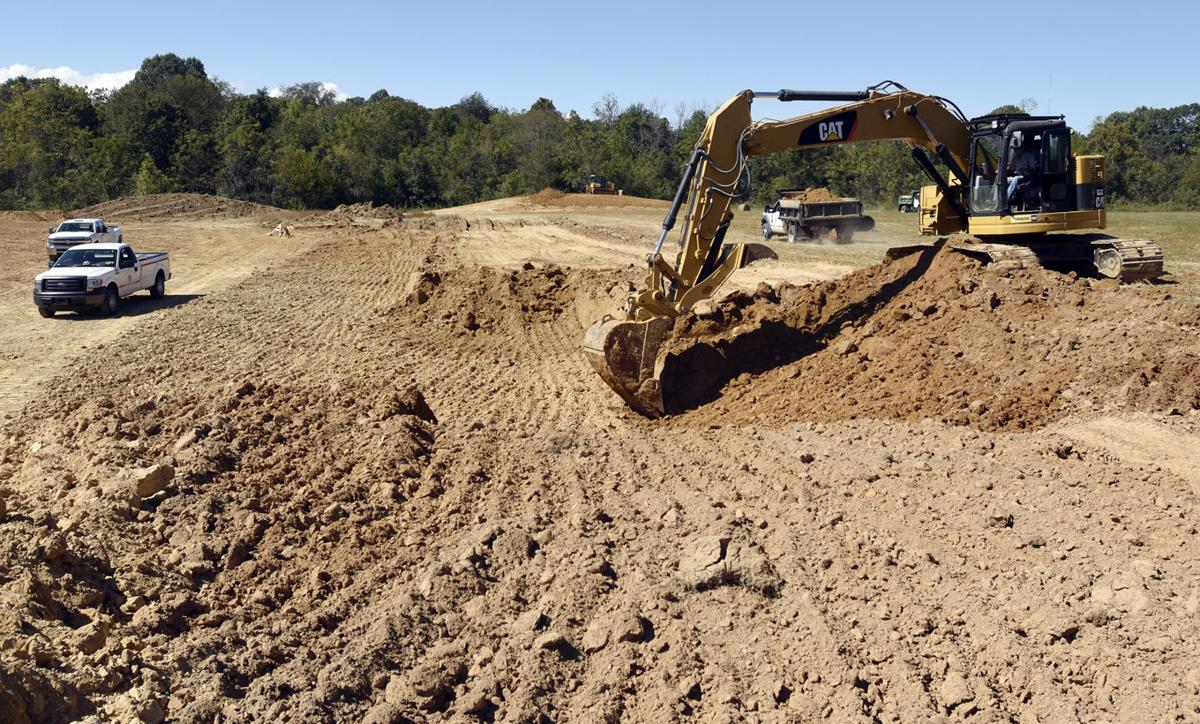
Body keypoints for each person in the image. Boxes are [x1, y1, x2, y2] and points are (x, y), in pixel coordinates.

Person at [1006, 136, 1040, 208]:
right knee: (1003, 180)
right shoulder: (1015, 158)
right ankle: (996, 200)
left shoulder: (1029, 156)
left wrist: (1026, 170)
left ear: (1021, 148)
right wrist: (1006, 170)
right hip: (1019, 176)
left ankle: (1006, 200)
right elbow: (1012, 169)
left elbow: (1035, 169)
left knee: (1015, 179)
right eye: (1014, 149)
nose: (1015, 150)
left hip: (1028, 178)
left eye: (1016, 149)